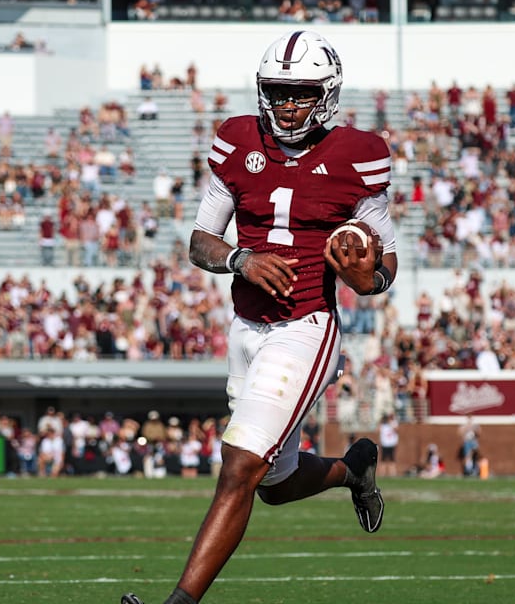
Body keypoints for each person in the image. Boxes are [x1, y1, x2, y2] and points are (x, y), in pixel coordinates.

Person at [122, 31, 396, 604]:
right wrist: (240, 259)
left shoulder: (359, 154)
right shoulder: (238, 138)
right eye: (278, 91)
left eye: (300, 93)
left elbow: (383, 269)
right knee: (270, 484)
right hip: (244, 328)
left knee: (239, 464)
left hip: (306, 326)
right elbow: (201, 242)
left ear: (326, 93)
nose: (289, 104)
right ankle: (354, 469)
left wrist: (359, 272)